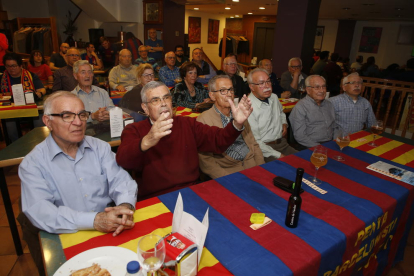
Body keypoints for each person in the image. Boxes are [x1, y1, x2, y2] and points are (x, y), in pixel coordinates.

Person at [18, 91, 137, 275]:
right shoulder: (33, 163)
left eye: (82, 115)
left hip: (109, 229)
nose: (78, 122)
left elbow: (122, 181)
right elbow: (41, 211)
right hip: (65, 235)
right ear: (48, 121)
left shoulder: (100, 147)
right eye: (67, 116)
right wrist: (94, 220)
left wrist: (124, 206)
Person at [116, 81, 253, 199]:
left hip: (192, 191)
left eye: (166, 98)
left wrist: (236, 123)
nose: (163, 104)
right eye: (155, 100)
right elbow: (123, 160)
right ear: (145, 108)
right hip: (155, 198)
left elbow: (218, 140)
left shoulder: (187, 124)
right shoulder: (134, 130)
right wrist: (148, 140)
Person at [197, 75, 264, 179]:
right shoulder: (203, 120)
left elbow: (254, 144)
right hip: (229, 172)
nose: (229, 94)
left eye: (230, 89)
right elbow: (207, 162)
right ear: (212, 95)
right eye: (223, 90)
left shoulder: (239, 113)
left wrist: (261, 167)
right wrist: (227, 180)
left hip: (252, 165)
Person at [247, 68, 297, 162]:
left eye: (268, 81)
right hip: (263, 150)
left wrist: (284, 123)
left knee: (303, 162)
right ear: (252, 87)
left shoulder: (273, 97)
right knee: (287, 169)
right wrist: (279, 155)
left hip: (282, 143)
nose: (267, 86)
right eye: (261, 83)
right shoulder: (248, 108)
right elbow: (255, 142)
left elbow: (281, 112)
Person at [289, 75, 336, 149]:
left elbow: (334, 126)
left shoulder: (329, 104)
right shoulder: (300, 107)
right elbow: (300, 136)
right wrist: (320, 147)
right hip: (309, 146)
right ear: (308, 90)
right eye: (317, 87)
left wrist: (336, 141)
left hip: (330, 143)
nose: (322, 90)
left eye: (323, 87)